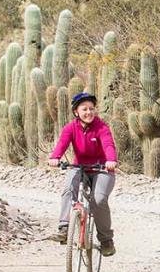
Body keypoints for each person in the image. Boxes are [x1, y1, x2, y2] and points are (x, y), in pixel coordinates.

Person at [47, 92, 119, 256]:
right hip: (79, 167)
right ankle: (64, 228)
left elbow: (108, 145)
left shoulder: (101, 127)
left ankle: (106, 240)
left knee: (98, 200)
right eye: (84, 109)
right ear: (76, 112)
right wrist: (55, 157)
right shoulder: (70, 128)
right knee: (68, 188)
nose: (89, 112)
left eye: (91, 109)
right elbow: (62, 144)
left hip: (102, 169)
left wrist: (111, 160)